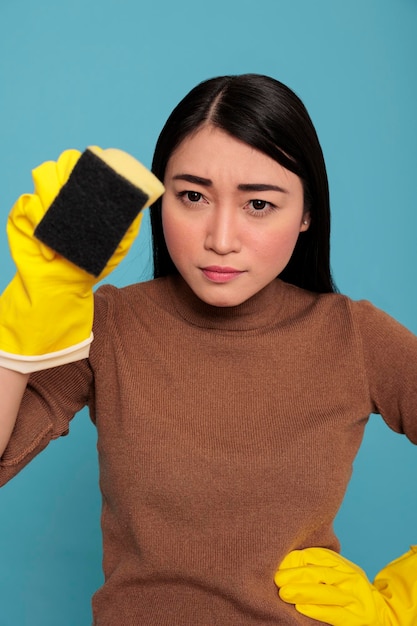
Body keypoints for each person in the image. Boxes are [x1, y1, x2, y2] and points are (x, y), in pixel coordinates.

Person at [0, 74, 416, 625]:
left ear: (307, 214)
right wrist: (19, 333)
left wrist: (404, 603)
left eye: (259, 205)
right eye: (193, 196)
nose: (221, 237)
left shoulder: (355, 338)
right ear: (159, 199)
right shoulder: (109, 324)